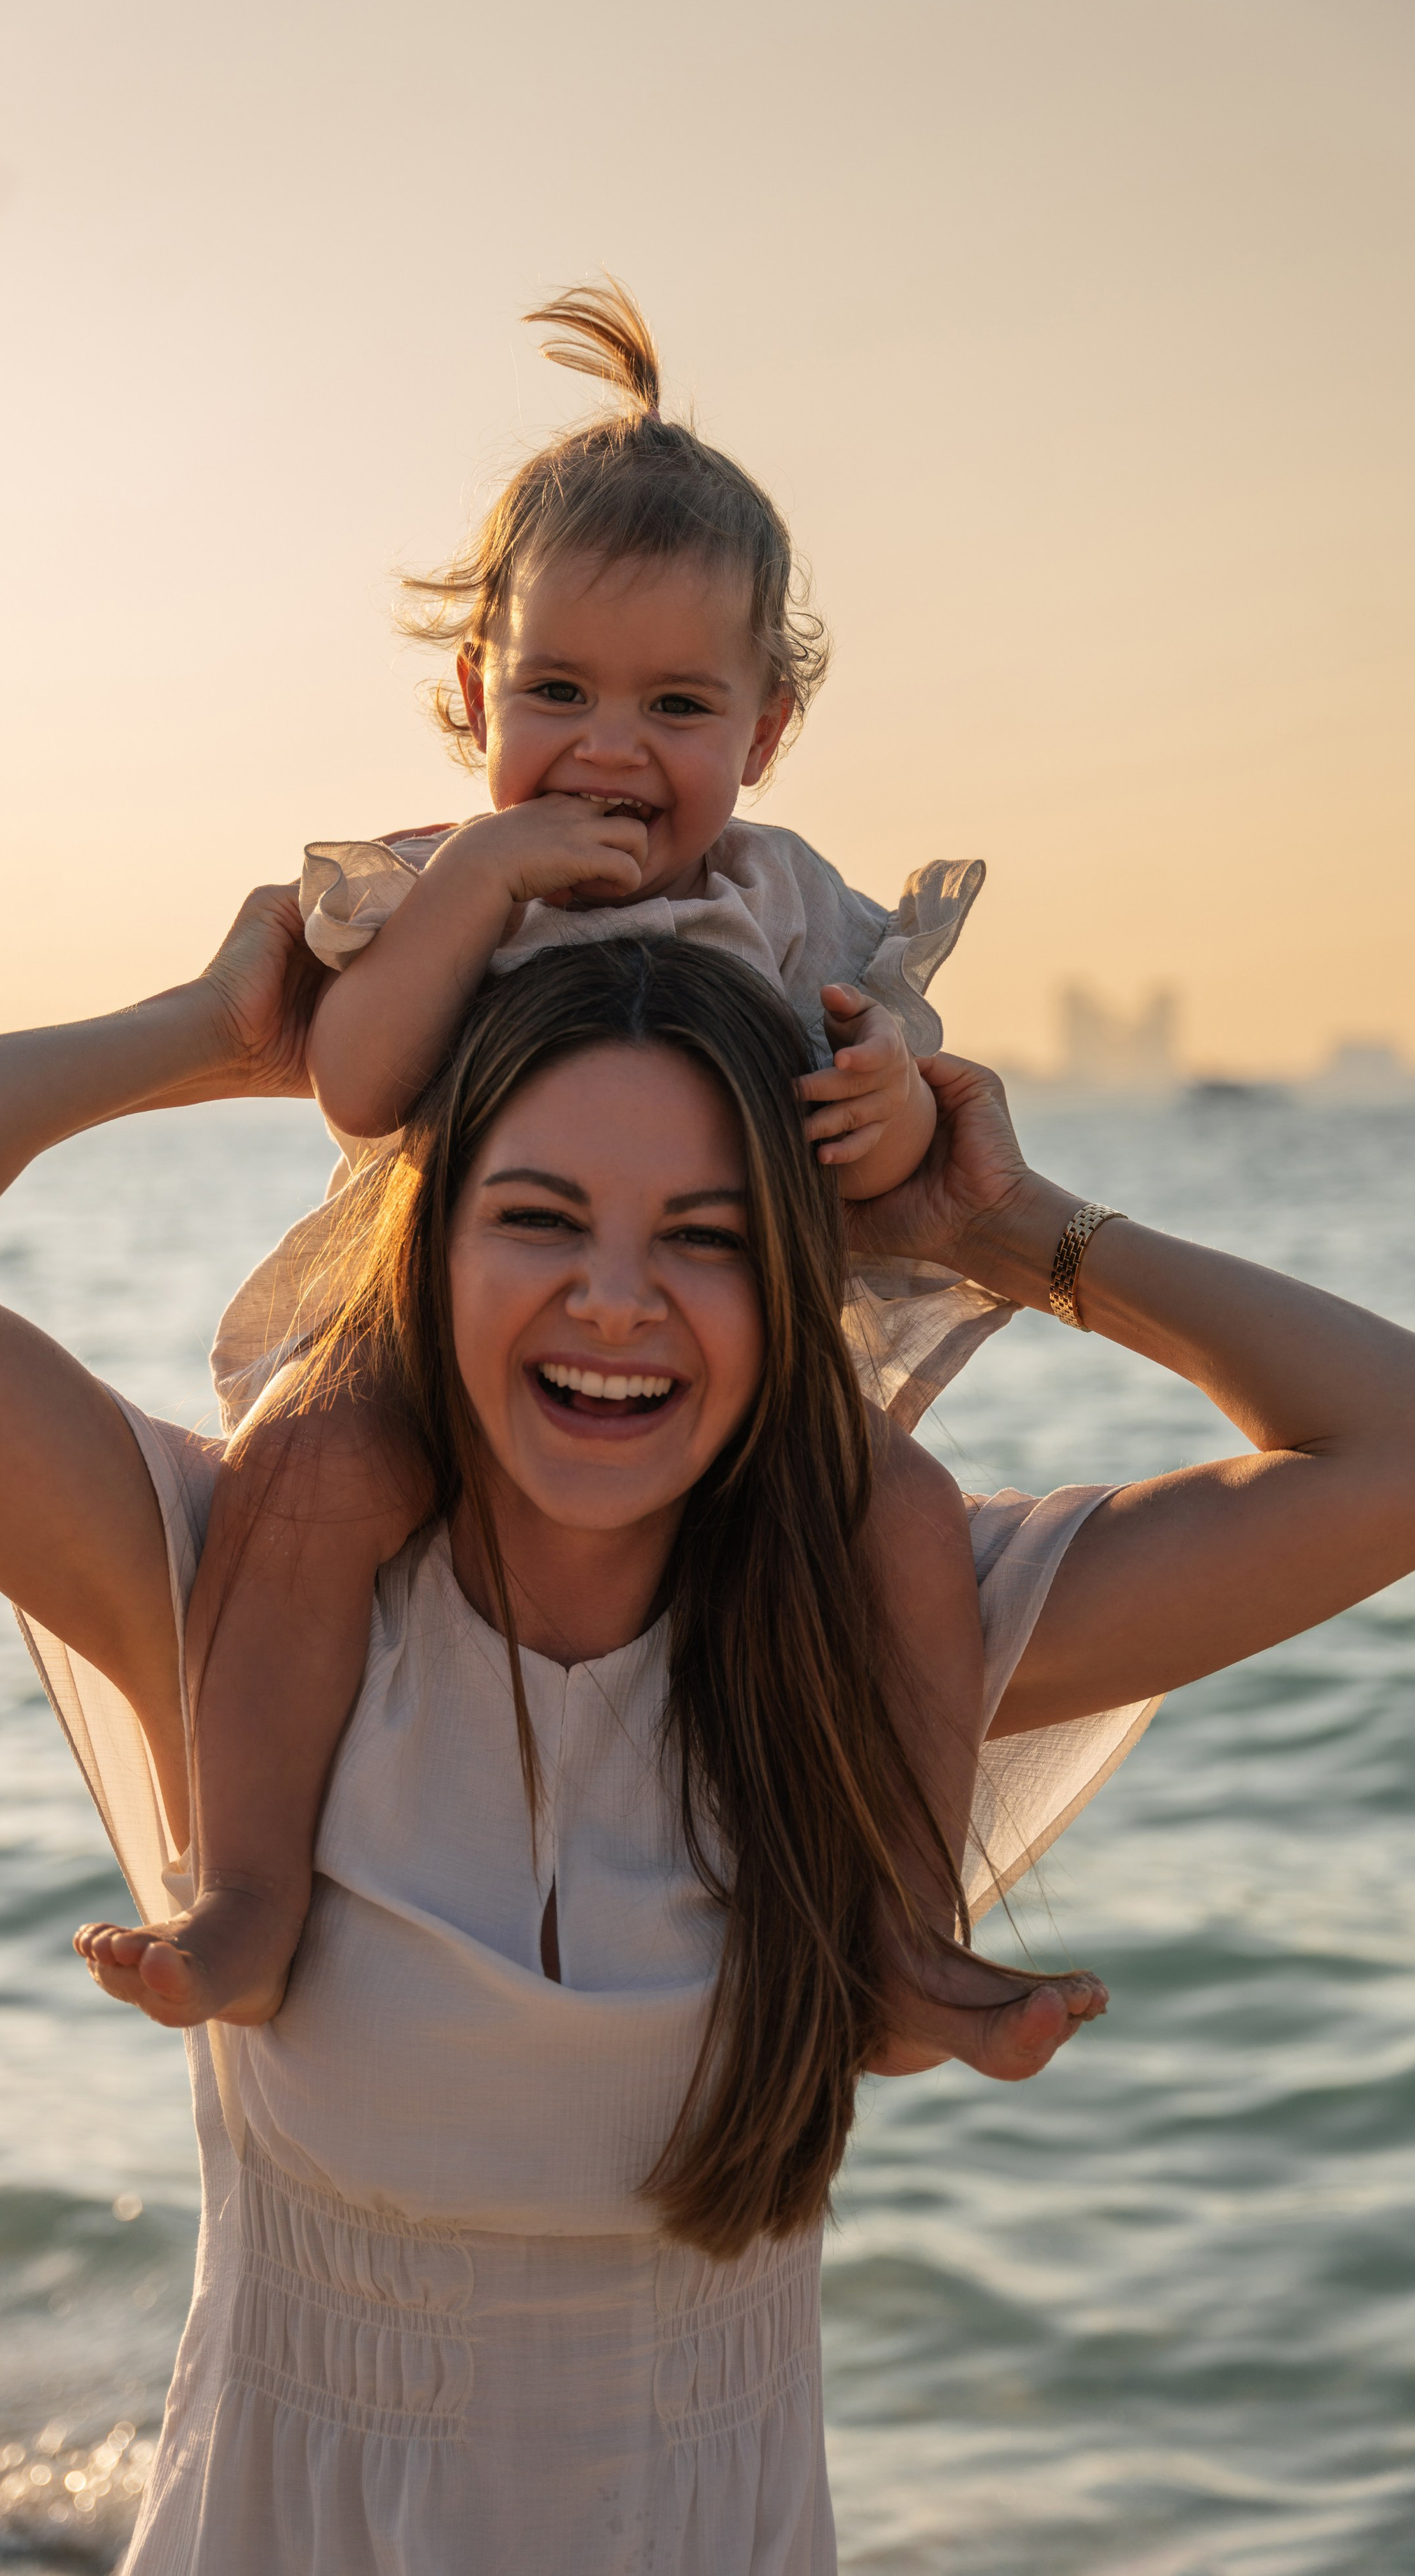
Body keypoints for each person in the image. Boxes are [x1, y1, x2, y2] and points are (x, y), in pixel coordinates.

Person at [0, 895, 1415, 2575]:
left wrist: (1000, 1233)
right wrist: (212, 1033)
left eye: (706, 1237)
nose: (613, 1297)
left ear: (792, 1281)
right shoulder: (240, 1591)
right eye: (536, 1216)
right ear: (430, 1248)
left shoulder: (873, 1630)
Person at [135, 278, 1013, 2031]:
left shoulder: (783, 900)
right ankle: (243, 1891)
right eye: (557, 688)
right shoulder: (439, 881)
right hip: (431, 1325)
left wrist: (896, 1099)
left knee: (907, 1520)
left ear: (763, 730)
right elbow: (365, 1087)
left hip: (714, 1346)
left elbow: (888, 1055)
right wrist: (477, 885)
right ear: (471, 698)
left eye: (677, 706)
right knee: (302, 1486)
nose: (609, 748)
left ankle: (905, 1931)